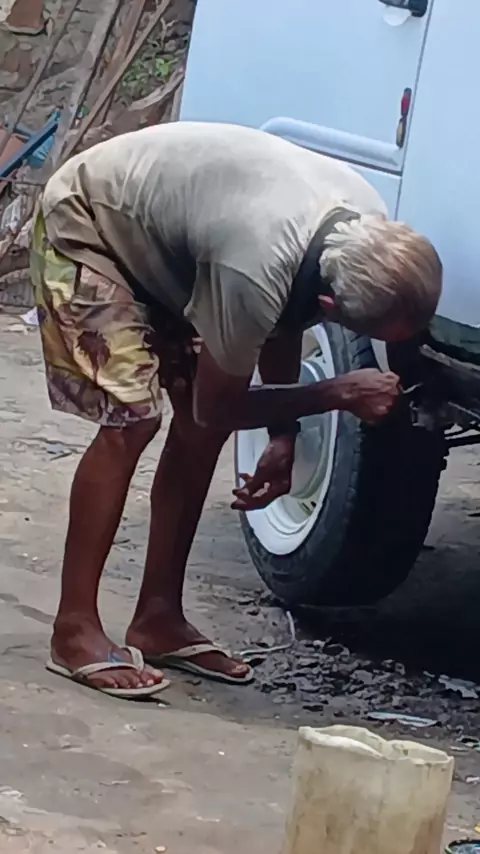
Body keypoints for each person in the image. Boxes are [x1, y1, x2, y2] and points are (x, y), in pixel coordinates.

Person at [30, 122, 442, 698]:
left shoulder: (365, 223)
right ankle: (73, 629)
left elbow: (285, 317)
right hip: (90, 221)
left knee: (198, 433)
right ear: (332, 304)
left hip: (177, 244)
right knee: (134, 420)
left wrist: (283, 434)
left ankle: (158, 618)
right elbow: (219, 404)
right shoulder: (255, 263)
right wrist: (335, 392)